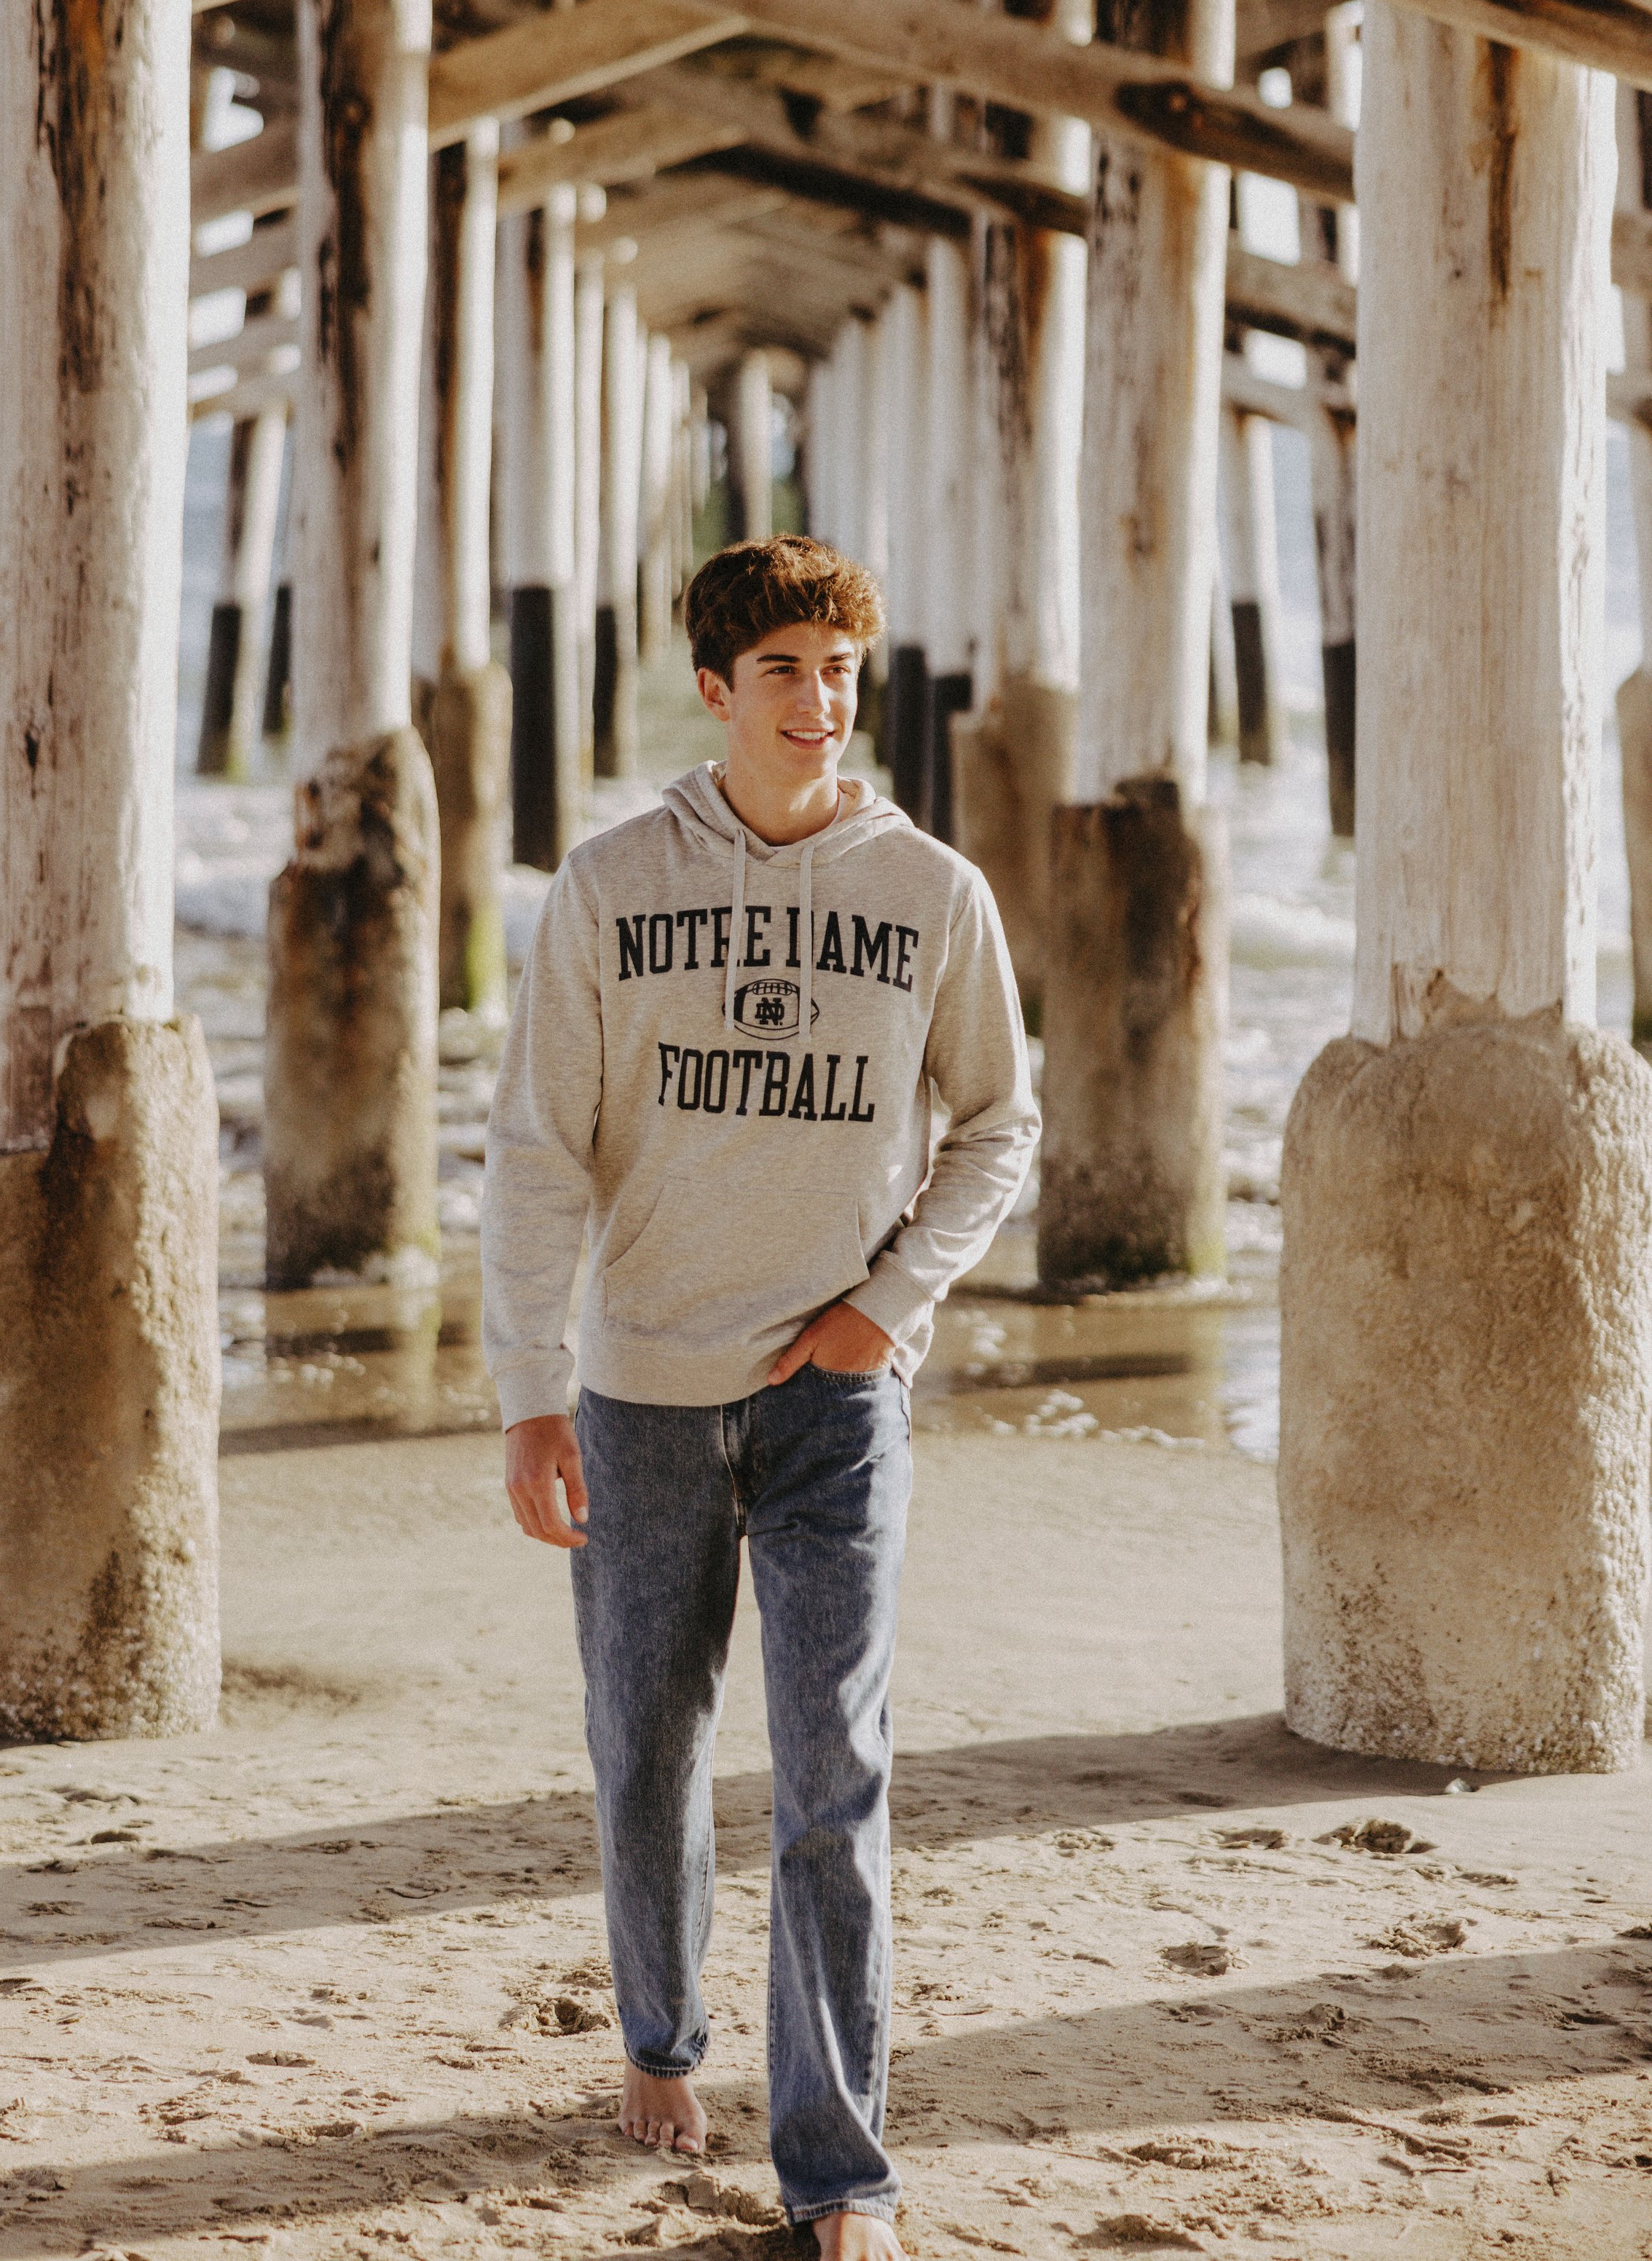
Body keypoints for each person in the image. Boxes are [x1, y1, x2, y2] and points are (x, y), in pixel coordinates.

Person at [481, 535, 1039, 2261]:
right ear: (713, 688)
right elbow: (533, 1154)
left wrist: (887, 1308)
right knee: (645, 1749)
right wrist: (526, 1391)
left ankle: (836, 2168)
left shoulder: (931, 890)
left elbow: (998, 1123)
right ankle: (658, 2035)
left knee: (832, 1779)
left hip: (832, 1406)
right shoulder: (608, 880)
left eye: (840, 668)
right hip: (641, 1388)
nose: (819, 699)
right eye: (784, 669)